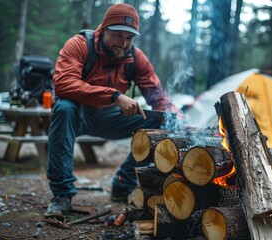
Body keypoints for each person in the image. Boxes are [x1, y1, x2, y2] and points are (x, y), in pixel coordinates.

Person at [45, 3, 180, 218]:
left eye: (129, 38)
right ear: (104, 29)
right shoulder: (79, 45)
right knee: (63, 107)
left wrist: (179, 121)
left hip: (113, 118)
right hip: (79, 116)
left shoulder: (135, 57)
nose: (124, 44)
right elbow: (63, 84)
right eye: (118, 36)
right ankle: (62, 195)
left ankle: (122, 184)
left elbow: (157, 95)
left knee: (161, 121)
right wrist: (114, 96)